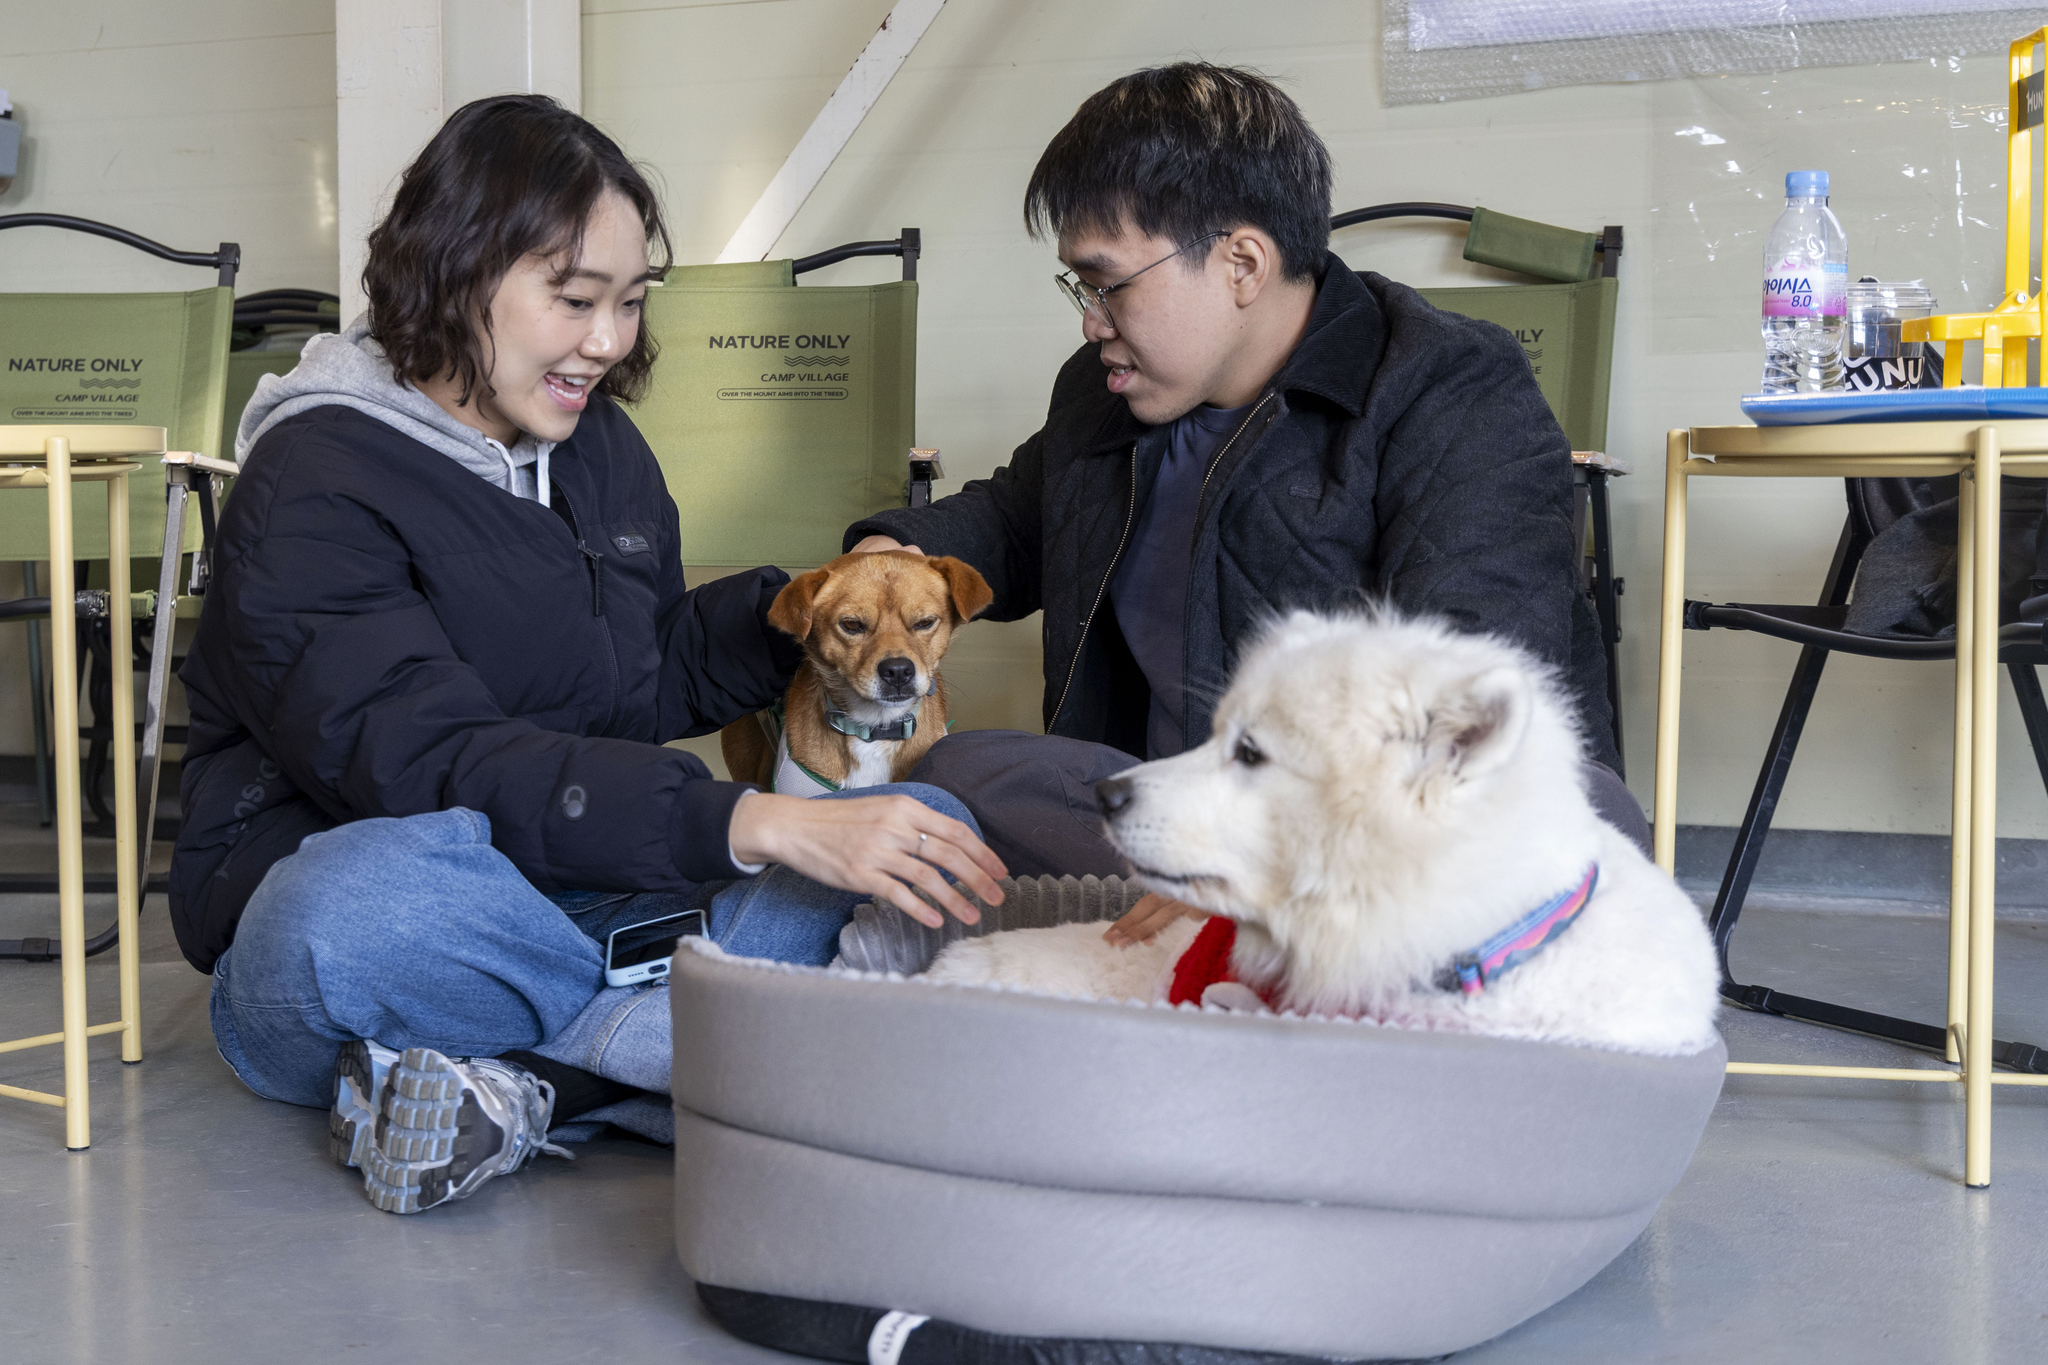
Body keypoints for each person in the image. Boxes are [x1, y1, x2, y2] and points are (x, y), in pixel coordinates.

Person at [170, 96, 1004, 1214]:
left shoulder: (596, 442)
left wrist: (804, 615)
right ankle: (738, 1039)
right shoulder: (314, 481)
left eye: (628, 304)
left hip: (582, 896)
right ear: (455, 275)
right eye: (574, 302)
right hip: (402, 917)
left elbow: (642, 675)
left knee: (929, 833)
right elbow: (431, 763)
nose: (608, 343)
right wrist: (742, 822)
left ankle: (535, 1087)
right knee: (346, 907)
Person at [845, 63, 1643, 946]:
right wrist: (886, 557)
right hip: (1154, 809)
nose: (1090, 320)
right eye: (1080, 287)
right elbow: (1013, 521)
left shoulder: (1451, 387)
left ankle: (1222, 924)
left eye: (1107, 283)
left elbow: (1473, 690)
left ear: (1242, 263)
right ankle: (1202, 926)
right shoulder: (1099, 393)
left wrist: (1259, 851)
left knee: (1586, 819)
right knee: (955, 767)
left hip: (1357, 831)